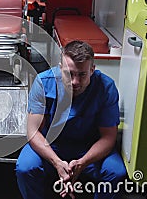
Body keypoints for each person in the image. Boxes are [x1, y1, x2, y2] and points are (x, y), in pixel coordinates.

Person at [16, 40, 127, 199]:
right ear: (60, 68)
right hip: (51, 145)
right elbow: (33, 131)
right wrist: (56, 163)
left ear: (92, 70)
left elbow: (108, 137)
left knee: (115, 173)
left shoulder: (106, 87)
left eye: (82, 74)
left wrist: (82, 163)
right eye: (69, 73)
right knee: (25, 168)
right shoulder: (43, 83)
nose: (75, 82)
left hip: (89, 146)